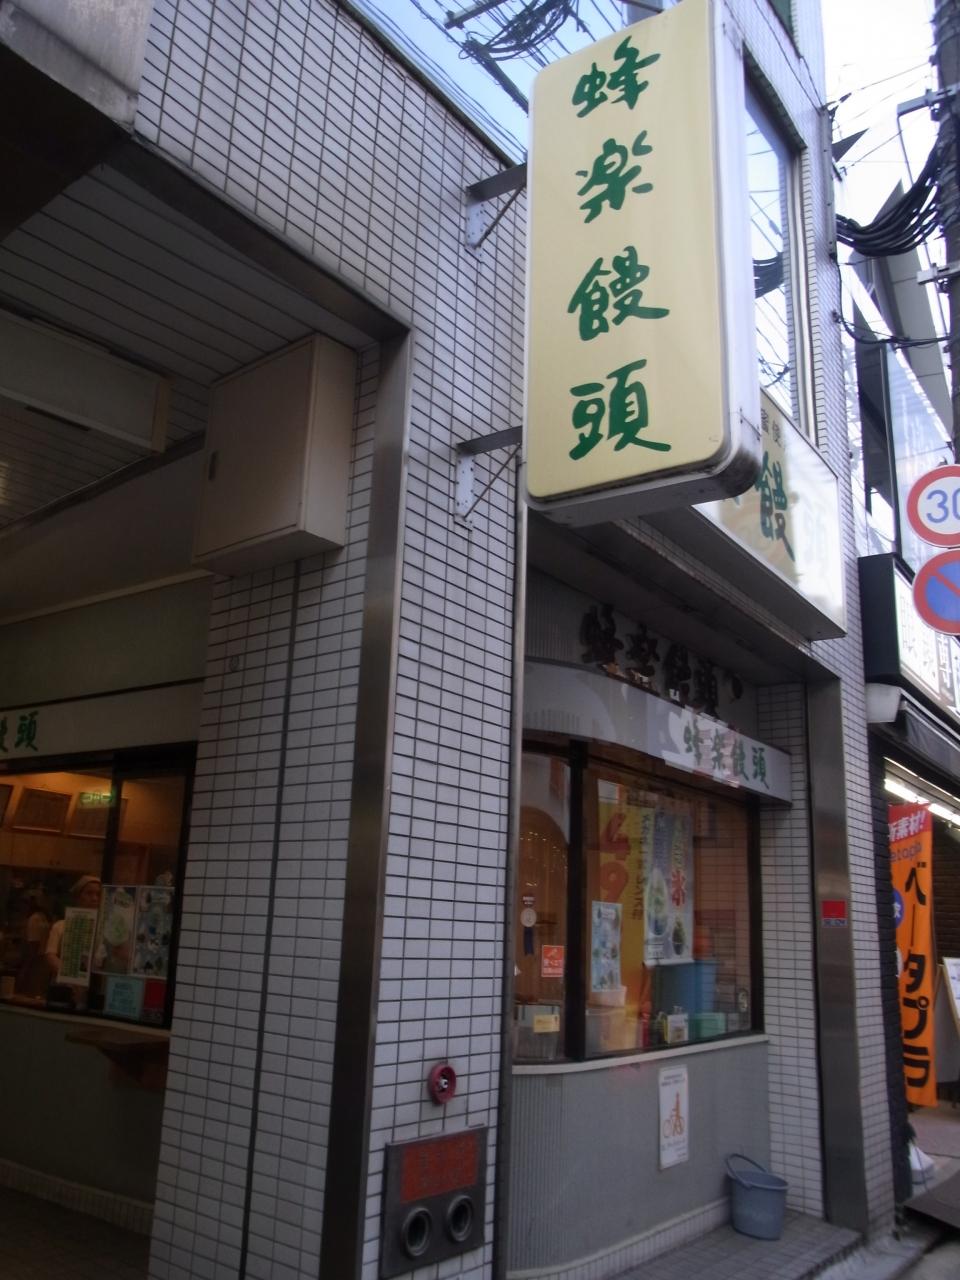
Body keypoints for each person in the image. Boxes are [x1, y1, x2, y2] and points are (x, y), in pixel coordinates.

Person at [46, 875, 101, 984]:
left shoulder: (103, 928)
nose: (94, 898)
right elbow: (50, 955)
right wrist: (72, 976)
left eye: (98, 894)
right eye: (89, 893)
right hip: (63, 986)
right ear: (78, 897)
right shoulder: (60, 926)